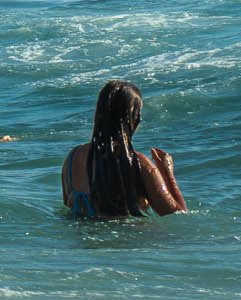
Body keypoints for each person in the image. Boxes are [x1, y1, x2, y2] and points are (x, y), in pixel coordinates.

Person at [61, 79, 185, 219]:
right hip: (133, 238)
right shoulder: (140, 165)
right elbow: (178, 216)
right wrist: (167, 173)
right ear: (134, 118)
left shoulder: (72, 159)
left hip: (84, 238)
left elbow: (68, 205)